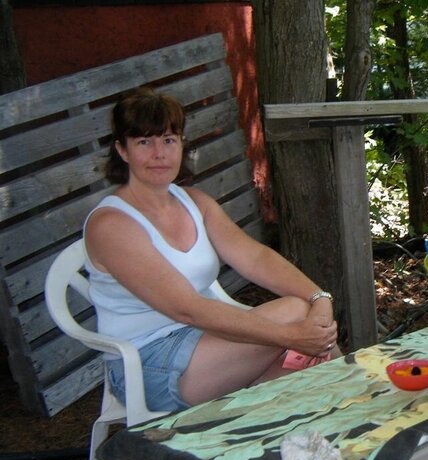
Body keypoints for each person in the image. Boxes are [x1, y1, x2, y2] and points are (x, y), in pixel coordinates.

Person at [84, 87, 339, 413]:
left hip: (208, 341)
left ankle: (335, 435)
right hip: (150, 363)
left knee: (313, 364)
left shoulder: (194, 203)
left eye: (169, 140)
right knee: (294, 316)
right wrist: (291, 335)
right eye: (144, 142)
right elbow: (187, 309)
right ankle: (359, 414)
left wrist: (319, 299)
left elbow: (256, 258)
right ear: (122, 150)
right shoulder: (112, 225)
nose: (159, 153)